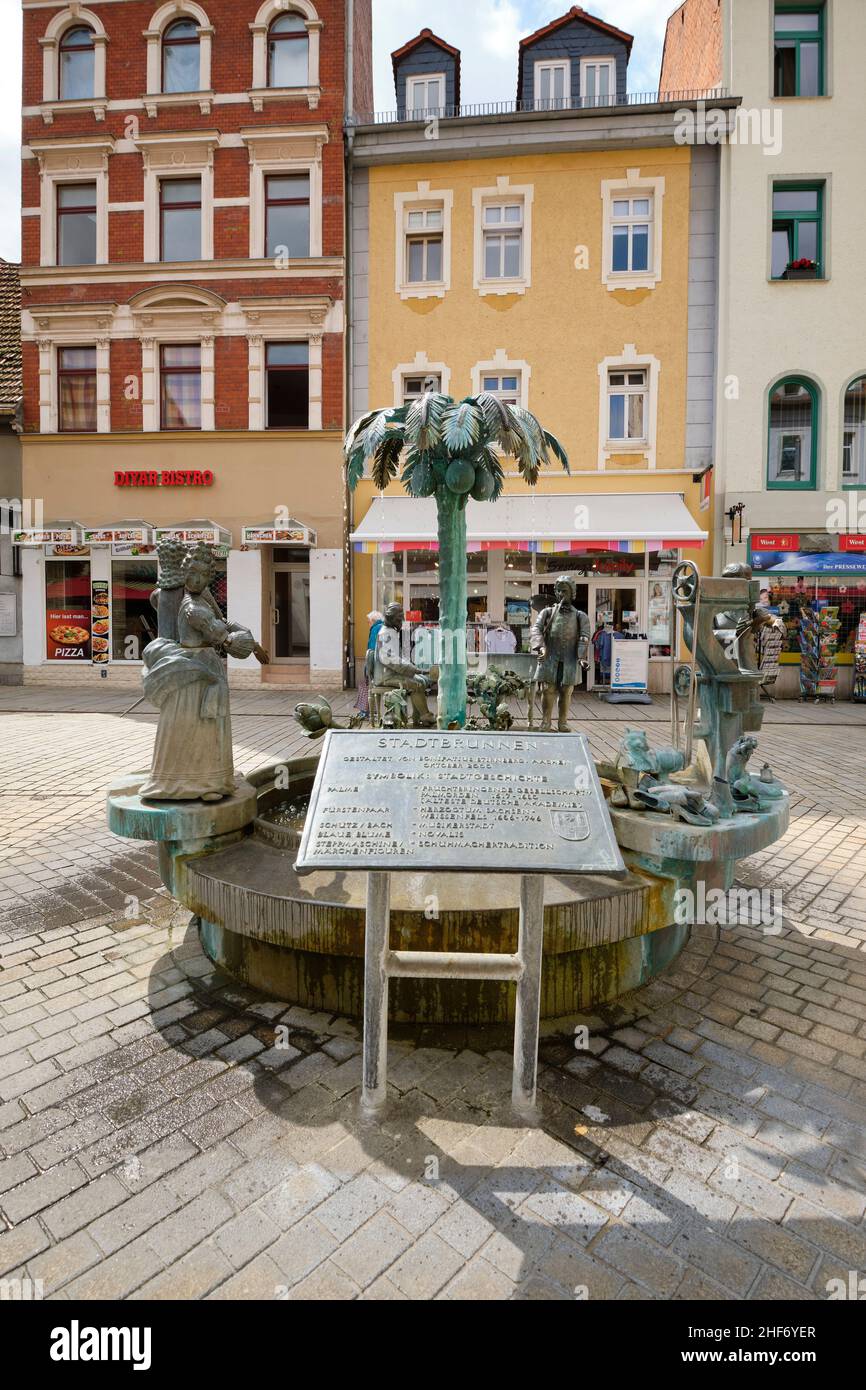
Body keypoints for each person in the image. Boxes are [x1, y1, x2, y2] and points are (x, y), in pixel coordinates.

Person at [140, 544, 268, 801]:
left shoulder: (203, 597)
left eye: (202, 576)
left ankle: (213, 779)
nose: (196, 580)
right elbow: (220, 634)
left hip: (206, 665)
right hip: (193, 669)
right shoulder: (191, 607)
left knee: (207, 725)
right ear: (184, 573)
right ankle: (187, 782)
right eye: (192, 574)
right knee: (191, 723)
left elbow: (224, 621)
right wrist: (243, 644)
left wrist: (250, 640)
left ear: (209, 578)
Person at [530, 576, 591, 731]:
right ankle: (545, 721)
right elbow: (536, 629)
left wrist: (582, 657)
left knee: (566, 691)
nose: (561, 594)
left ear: (572, 593)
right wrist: (541, 647)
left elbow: (584, 637)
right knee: (547, 690)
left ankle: (562, 722)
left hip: (570, 659)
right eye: (558, 590)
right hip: (549, 657)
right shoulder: (547, 612)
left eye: (565, 591)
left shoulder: (580, 616)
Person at [373, 602, 435, 726]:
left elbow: (397, 657)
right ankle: (425, 716)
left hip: (391, 673)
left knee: (421, 680)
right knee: (417, 684)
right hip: (386, 676)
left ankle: (418, 717)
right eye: (399, 619)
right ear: (392, 619)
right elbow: (390, 660)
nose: (401, 622)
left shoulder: (390, 631)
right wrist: (413, 669)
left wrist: (413, 669)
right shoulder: (386, 633)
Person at [355, 609, 384, 718]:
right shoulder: (382, 627)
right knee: (368, 686)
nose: (368, 623)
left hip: (374, 663)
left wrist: (368, 667)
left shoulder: (375, 628)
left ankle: (365, 712)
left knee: (367, 685)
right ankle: (371, 710)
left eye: (368, 621)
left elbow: (371, 649)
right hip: (381, 663)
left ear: (373, 620)